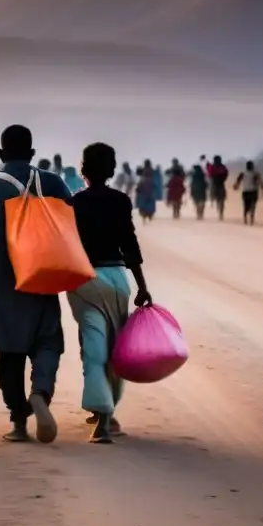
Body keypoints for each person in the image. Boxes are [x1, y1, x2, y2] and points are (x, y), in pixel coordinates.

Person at [0, 125, 70, 444]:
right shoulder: (53, 181)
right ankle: (40, 392)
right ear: (32, 153)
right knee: (47, 342)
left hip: (5, 280)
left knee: (10, 352)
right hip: (45, 273)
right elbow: (72, 225)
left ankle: (18, 421)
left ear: (1, 154)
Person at [69, 143, 152, 443]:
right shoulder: (120, 201)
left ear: (83, 170)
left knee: (92, 346)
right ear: (113, 170)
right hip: (117, 279)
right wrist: (142, 285)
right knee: (115, 349)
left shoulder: (74, 203)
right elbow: (129, 245)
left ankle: (100, 413)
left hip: (84, 280)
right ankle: (106, 413)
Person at [234, 161, 263, 225]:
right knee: (252, 205)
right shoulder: (256, 173)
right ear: (252, 166)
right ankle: (251, 219)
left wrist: (236, 186)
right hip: (253, 191)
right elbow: (260, 181)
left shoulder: (242, 173)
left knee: (246, 205)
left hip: (245, 191)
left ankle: (245, 218)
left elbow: (238, 181)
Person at [208, 155, 229, 220]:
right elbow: (226, 173)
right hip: (219, 184)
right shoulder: (222, 167)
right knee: (220, 200)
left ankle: (220, 212)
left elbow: (209, 175)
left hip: (216, 184)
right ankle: (220, 212)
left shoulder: (214, 167)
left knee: (219, 199)